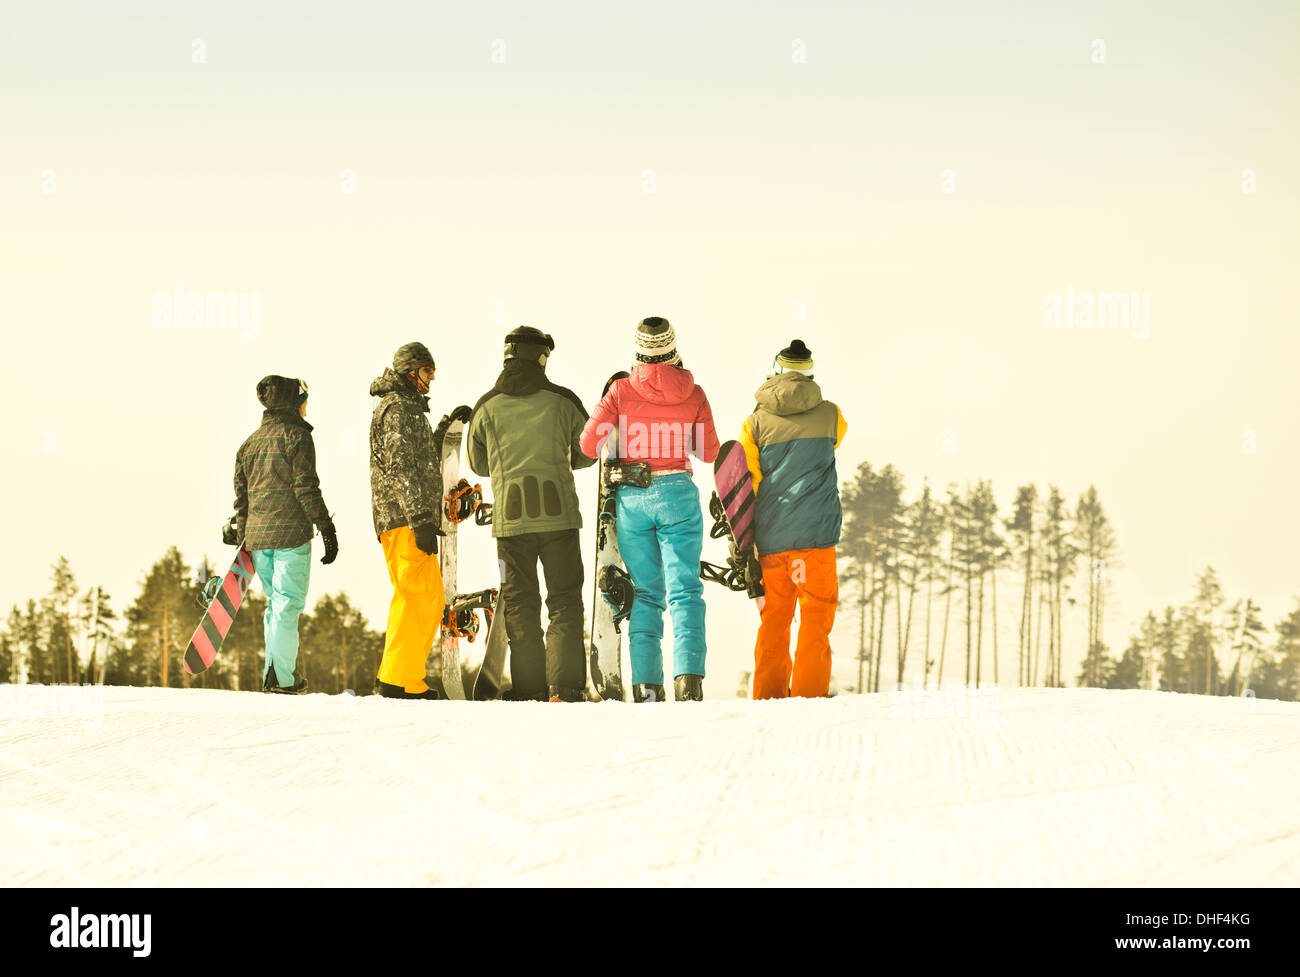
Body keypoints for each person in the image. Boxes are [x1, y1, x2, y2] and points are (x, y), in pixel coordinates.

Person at [579, 317, 719, 702]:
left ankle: (646, 688)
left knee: (645, 593)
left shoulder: (620, 392)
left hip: (634, 500)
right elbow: (708, 452)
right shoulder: (695, 393)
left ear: (638, 351)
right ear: (673, 349)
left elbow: (589, 445)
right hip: (678, 494)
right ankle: (688, 682)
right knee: (685, 590)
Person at [467, 326, 595, 702]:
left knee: (520, 604)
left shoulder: (486, 406)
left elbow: (477, 464)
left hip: (510, 529)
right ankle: (565, 687)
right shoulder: (562, 401)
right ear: (539, 357)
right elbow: (588, 451)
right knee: (565, 600)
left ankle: (530, 689)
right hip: (561, 523)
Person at [739, 339, 846, 699]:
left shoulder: (754, 422)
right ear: (810, 370)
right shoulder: (831, 415)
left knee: (775, 621)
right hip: (816, 541)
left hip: (773, 541)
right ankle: (810, 698)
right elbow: (837, 438)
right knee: (815, 621)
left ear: (777, 369)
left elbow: (747, 481)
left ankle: (768, 698)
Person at [233, 375, 338, 694]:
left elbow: (242, 499)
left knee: (276, 605)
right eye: (304, 399)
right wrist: (326, 526)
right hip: (291, 537)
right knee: (287, 604)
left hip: (258, 539)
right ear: (293, 401)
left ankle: (273, 672)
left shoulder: (248, 444)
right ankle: (283, 677)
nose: (307, 406)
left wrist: (243, 538)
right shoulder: (297, 436)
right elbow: (306, 486)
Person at [369, 342, 445, 699]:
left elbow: (419, 459)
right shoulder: (398, 409)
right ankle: (398, 680)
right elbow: (401, 466)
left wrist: (441, 431)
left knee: (421, 596)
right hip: (405, 517)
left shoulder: (406, 409)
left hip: (403, 517)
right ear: (410, 370)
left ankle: (404, 677)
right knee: (420, 595)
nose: (431, 379)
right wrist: (419, 518)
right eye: (427, 371)